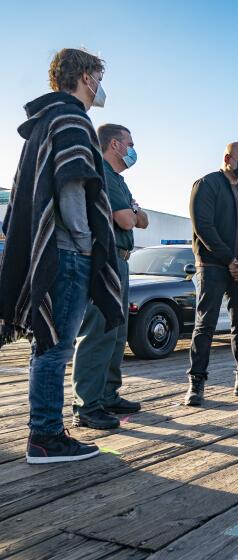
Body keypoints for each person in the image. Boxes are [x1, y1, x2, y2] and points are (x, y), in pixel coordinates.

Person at [0, 48, 123, 463]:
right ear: (86, 77)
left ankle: (44, 432)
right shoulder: (72, 117)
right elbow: (72, 188)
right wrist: (87, 245)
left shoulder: (45, 120)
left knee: (46, 344)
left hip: (52, 249)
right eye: (99, 76)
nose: (101, 85)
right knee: (55, 347)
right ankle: (46, 436)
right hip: (68, 251)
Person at [70, 124, 148, 429]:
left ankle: (107, 394)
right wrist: (133, 212)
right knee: (98, 330)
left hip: (122, 260)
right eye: (130, 143)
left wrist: (134, 213)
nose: (133, 149)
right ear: (115, 145)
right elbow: (128, 219)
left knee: (117, 330)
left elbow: (142, 219)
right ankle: (86, 405)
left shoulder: (119, 180)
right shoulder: (101, 172)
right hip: (105, 259)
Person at [183, 142, 238, 406]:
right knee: (205, 324)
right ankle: (196, 383)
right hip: (212, 266)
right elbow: (204, 227)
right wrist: (230, 260)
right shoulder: (206, 185)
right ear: (228, 159)